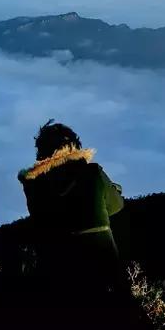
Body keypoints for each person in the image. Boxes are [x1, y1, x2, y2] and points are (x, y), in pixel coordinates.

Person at [17, 120, 124, 297]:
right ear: (74, 146)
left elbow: (39, 220)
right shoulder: (93, 173)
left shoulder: (34, 186)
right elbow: (117, 205)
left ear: (41, 152)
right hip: (104, 266)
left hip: (60, 270)